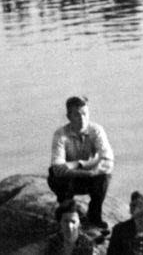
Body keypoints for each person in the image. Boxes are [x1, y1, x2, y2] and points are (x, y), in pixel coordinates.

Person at [47, 96, 114, 229]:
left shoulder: (96, 130)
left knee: (105, 178)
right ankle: (67, 214)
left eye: (85, 114)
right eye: (77, 115)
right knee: (55, 178)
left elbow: (108, 161)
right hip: (70, 179)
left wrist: (80, 165)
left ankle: (94, 217)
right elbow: (57, 168)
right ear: (68, 116)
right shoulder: (60, 134)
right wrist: (85, 169)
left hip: (89, 176)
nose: (82, 119)